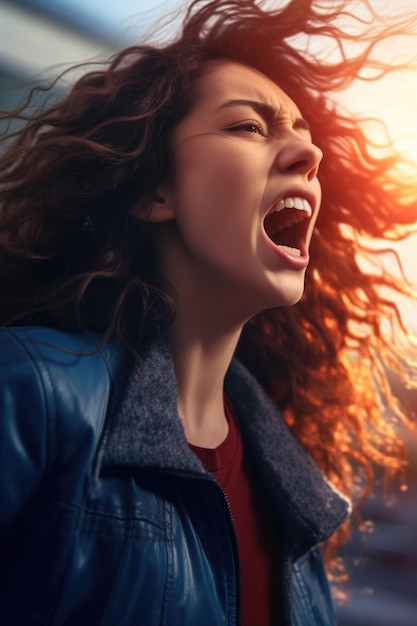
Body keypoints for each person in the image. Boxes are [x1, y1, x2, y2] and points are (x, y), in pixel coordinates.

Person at [0, 0, 416, 624]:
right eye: (249, 127)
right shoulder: (31, 392)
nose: (309, 156)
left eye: (305, 138)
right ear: (153, 190)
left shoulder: (295, 501)